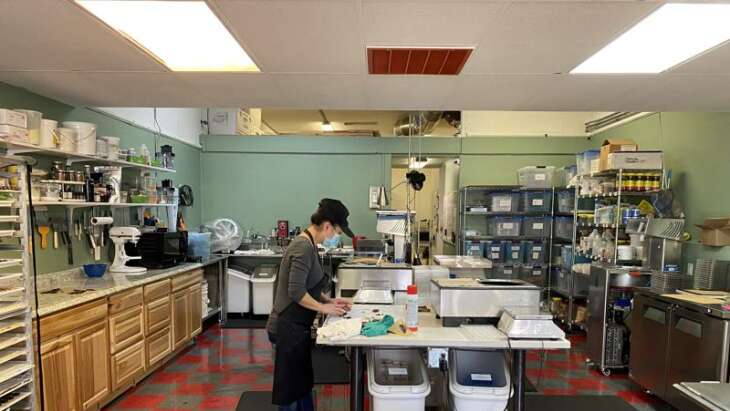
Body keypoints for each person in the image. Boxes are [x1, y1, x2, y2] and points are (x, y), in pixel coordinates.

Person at [267, 198, 354, 411]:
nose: (335, 237)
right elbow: (296, 292)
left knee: (303, 385)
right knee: (290, 391)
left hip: (298, 327)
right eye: (337, 232)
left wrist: (329, 300)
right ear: (327, 226)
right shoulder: (303, 246)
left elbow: (308, 286)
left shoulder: (311, 244)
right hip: (287, 327)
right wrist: (324, 309)